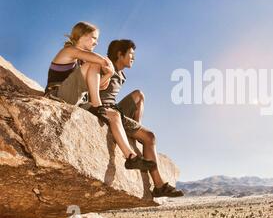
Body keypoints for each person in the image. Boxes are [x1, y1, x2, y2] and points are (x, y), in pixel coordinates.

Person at [44, 22, 151, 171]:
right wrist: (109, 67)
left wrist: (108, 73)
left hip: (77, 100)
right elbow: (101, 61)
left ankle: (131, 157)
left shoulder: (84, 62)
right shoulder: (69, 51)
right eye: (94, 38)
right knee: (94, 63)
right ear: (82, 35)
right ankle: (97, 106)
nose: (96, 42)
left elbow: (99, 85)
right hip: (57, 95)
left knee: (114, 115)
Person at [90, 39, 183, 198]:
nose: (133, 58)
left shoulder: (121, 75)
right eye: (131, 54)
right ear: (120, 54)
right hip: (105, 110)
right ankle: (159, 185)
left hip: (115, 108)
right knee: (150, 137)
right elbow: (91, 86)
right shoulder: (105, 66)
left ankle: (135, 131)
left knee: (139, 94)